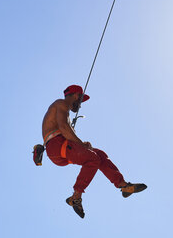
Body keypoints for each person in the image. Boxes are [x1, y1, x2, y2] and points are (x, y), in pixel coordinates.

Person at [40, 85, 147, 218]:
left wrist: (83, 145)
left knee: (99, 155)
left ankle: (123, 185)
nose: (79, 106)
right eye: (80, 101)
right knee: (93, 158)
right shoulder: (61, 104)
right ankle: (76, 197)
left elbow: (67, 133)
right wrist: (81, 145)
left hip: (60, 148)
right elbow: (63, 128)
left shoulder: (62, 110)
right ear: (76, 96)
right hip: (56, 146)